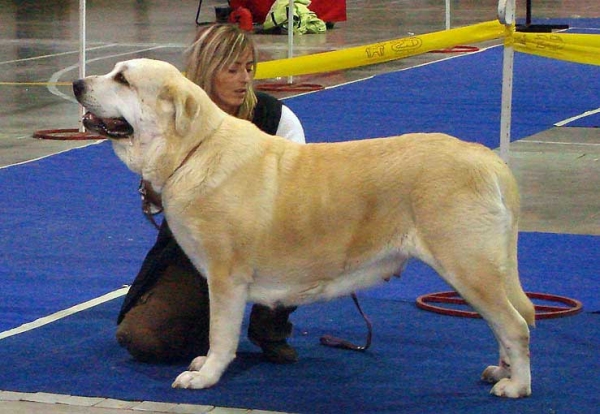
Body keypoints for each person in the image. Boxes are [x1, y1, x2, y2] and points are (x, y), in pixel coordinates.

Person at [115, 23, 305, 364]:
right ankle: (205, 323)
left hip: (267, 246)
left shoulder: (276, 117)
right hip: (195, 250)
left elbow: (301, 191)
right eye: (232, 70)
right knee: (142, 339)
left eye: (248, 68)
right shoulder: (170, 122)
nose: (244, 78)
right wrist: (153, 188)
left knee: (304, 236)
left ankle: (270, 325)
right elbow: (156, 206)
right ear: (206, 70)